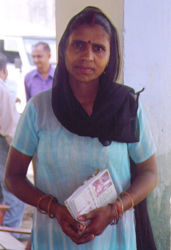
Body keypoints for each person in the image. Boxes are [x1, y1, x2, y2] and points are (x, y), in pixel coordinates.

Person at [4, 6, 158, 250]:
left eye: (98, 48)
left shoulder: (127, 108)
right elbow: (12, 177)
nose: (88, 55)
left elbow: (149, 173)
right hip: (55, 238)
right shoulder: (39, 109)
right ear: (64, 49)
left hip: (114, 239)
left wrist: (114, 209)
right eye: (78, 45)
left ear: (110, 56)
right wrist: (53, 208)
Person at [0, 52, 26, 239]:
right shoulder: (2, 90)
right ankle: (8, 236)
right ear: (4, 70)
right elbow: (11, 129)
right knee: (15, 190)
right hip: (3, 144)